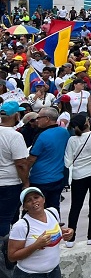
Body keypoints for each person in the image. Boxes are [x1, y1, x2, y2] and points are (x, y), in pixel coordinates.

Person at [62, 113, 91, 247]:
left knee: (75, 206)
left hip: (78, 176)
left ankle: (70, 239)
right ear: (87, 124)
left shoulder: (72, 140)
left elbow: (67, 162)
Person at [24, 108, 70, 212]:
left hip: (39, 179)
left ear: (47, 119)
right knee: (53, 209)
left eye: (39, 118)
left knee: (34, 210)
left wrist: (24, 177)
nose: (37, 120)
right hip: (58, 177)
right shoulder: (64, 132)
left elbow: (31, 159)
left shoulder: (42, 136)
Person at [0, 101, 29, 237]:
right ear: (16, 115)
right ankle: (4, 252)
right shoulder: (15, 136)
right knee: (5, 219)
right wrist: (26, 182)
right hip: (9, 183)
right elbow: (21, 163)